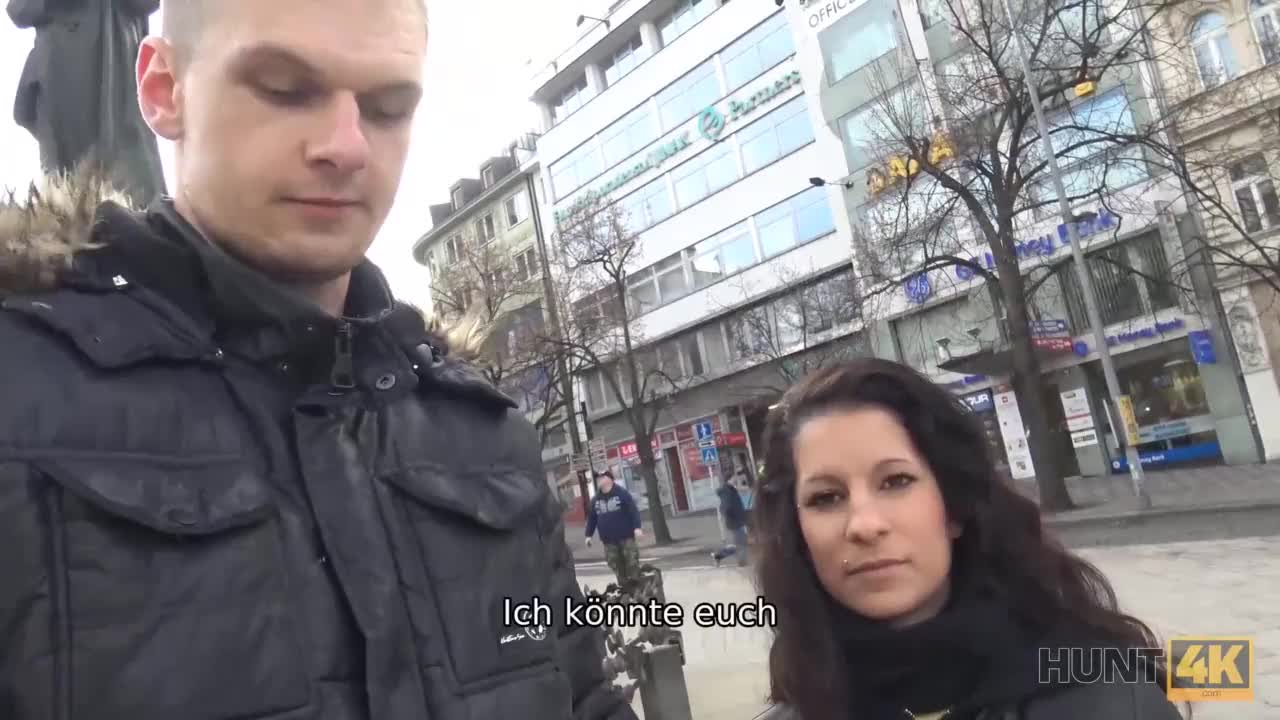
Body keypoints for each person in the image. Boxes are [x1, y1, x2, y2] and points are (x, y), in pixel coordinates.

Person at [0, 2, 636, 719]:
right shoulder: (18, 390)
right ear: (163, 89)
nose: (347, 146)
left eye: (387, 108)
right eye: (285, 90)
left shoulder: (486, 434)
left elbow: (585, 697)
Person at [750, 359, 1186, 720]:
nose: (864, 525)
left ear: (954, 507)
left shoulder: (1108, 696)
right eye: (826, 498)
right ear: (797, 531)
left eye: (896, 481)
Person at [584, 470, 645, 586]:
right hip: (608, 540)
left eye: (601, 477)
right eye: (597, 478)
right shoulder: (595, 499)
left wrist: (637, 528)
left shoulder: (622, 494)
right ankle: (624, 587)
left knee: (631, 562)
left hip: (625, 537)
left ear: (609, 479)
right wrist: (588, 535)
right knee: (614, 563)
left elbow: (633, 511)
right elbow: (592, 518)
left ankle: (637, 587)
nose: (598, 480)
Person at [711, 472, 750, 568]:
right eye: (734, 478)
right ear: (730, 479)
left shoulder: (731, 489)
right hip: (734, 521)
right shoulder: (727, 490)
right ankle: (742, 562)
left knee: (740, 543)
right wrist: (731, 516)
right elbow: (726, 506)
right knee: (741, 543)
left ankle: (718, 555)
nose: (736, 480)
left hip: (737, 520)